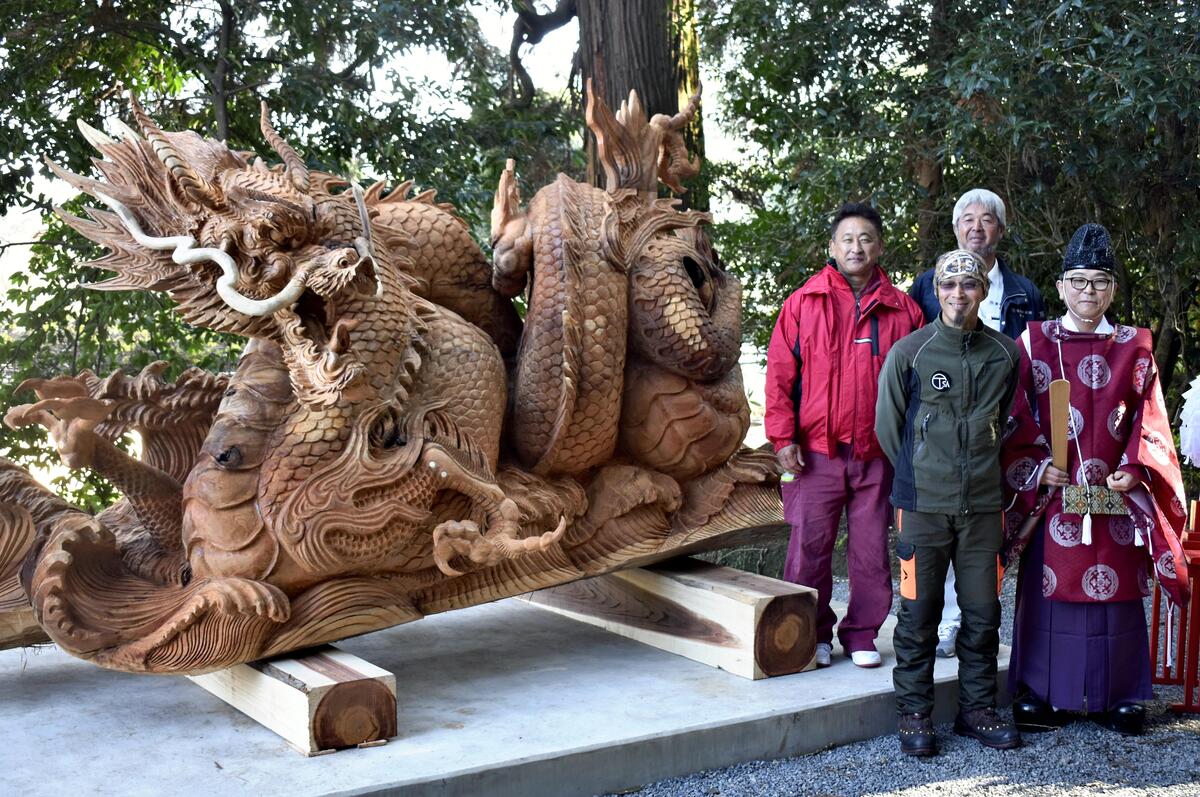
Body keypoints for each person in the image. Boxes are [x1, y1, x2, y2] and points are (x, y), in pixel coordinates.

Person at [1000, 223, 1191, 736]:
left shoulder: (1136, 345)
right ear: (1060, 286)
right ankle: (1041, 692)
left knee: (1119, 595)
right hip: (1057, 493)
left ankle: (1123, 695)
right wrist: (1037, 468)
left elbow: (1150, 419)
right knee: (1048, 591)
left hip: (1115, 496)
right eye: (1079, 280)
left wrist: (1135, 466)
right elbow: (1015, 416)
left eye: (1100, 281)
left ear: (1113, 289)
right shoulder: (1034, 342)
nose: (1089, 291)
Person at [875, 249, 1022, 756]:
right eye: (949, 286)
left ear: (983, 291)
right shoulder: (909, 353)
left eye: (969, 285)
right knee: (919, 615)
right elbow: (888, 428)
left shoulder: (1005, 354)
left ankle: (977, 710)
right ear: (936, 291)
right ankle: (915, 713)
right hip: (921, 506)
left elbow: (1007, 421)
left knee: (983, 613)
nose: (959, 294)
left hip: (984, 508)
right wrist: (923, 474)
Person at [765, 202, 924, 669]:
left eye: (866, 239)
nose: (857, 247)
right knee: (807, 548)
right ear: (831, 248)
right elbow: (779, 377)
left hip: (877, 455)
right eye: (847, 239)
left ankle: (861, 635)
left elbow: (916, 387)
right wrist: (782, 437)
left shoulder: (904, 310)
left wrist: (908, 447)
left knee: (871, 550)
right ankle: (809, 633)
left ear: (880, 247)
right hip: (815, 454)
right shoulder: (803, 303)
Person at [910, 188, 1047, 658]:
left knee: (993, 533)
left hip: (1004, 425)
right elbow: (912, 363)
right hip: (944, 433)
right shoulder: (928, 285)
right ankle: (948, 622)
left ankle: (981, 624)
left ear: (1000, 231)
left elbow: (1037, 363)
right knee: (945, 527)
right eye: (966, 218)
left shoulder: (1024, 292)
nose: (976, 227)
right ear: (954, 229)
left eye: (986, 220)